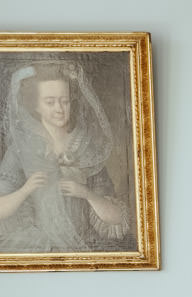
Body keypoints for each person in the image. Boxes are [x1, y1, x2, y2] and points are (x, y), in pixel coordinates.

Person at [0, 61, 131, 252]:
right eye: (50, 102)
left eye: (65, 101)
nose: (59, 109)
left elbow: (117, 217)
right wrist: (26, 190)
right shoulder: (21, 151)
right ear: (36, 106)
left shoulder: (87, 147)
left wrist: (86, 193)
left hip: (83, 243)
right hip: (36, 245)